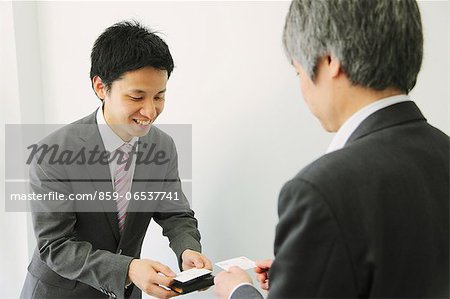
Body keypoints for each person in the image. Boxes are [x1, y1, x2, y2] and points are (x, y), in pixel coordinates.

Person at [214, 0, 449, 298]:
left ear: (329, 61)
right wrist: (304, 272)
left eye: (297, 72)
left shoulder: (321, 190)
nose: (302, 88)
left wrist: (239, 292)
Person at [20, 21, 211, 299]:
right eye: (137, 96)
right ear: (100, 86)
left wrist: (187, 248)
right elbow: (55, 246)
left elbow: (174, 212)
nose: (150, 111)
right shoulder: (52, 152)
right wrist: (128, 269)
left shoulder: (162, 145)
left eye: (159, 96)